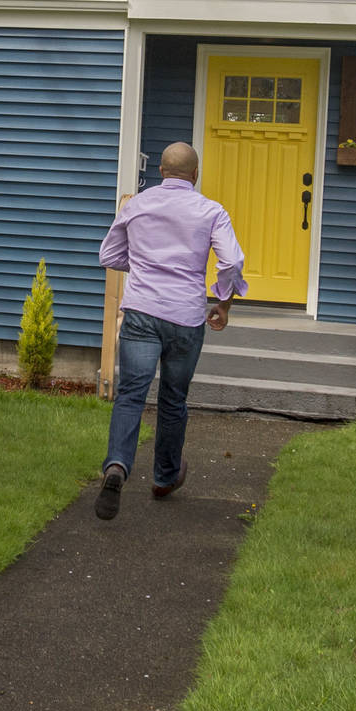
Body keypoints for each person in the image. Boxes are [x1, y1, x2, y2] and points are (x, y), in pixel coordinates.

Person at [93, 141, 246, 521]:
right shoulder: (211, 211)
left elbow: (108, 255)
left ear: (161, 171)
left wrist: (146, 267)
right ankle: (164, 477)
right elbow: (231, 261)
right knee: (174, 399)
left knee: (130, 394)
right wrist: (224, 304)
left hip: (142, 312)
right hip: (186, 317)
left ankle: (117, 467)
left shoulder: (138, 205)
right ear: (195, 175)